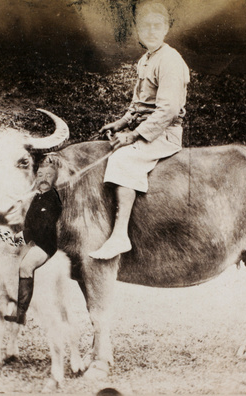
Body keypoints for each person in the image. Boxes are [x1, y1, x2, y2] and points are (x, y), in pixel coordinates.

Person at [89, 0, 190, 260]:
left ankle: (120, 235)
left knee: (123, 158)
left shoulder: (170, 60)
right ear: (139, 31)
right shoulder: (146, 59)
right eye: (146, 27)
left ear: (166, 29)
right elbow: (138, 104)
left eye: (158, 26)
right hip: (145, 126)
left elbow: (167, 111)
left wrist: (133, 135)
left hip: (164, 133)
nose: (151, 31)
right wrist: (121, 123)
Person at [4, 158, 62, 324]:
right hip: (35, 240)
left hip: (46, 244)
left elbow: (42, 227)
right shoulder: (39, 197)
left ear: (54, 179)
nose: (44, 178)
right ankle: (15, 307)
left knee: (26, 267)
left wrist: (23, 236)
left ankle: (21, 314)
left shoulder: (52, 199)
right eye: (41, 175)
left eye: (49, 175)